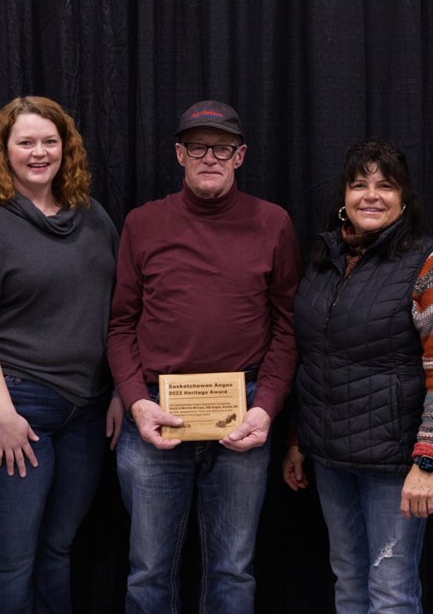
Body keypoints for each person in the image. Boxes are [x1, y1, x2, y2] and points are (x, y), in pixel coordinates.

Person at [107, 99, 299, 614]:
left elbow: (287, 326)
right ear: (178, 153)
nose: (209, 158)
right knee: (148, 571)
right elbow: (120, 325)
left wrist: (268, 408)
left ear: (241, 156)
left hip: (245, 409)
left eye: (222, 148)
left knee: (232, 571)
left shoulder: (273, 223)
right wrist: (134, 403)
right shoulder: (143, 224)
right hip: (155, 413)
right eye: (197, 147)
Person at [0, 96, 119, 614]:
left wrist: (120, 390)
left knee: (57, 551)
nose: (39, 153)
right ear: (3, 150)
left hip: (86, 413)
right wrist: (2, 416)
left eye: (49, 141)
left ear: (66, 148)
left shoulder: (92, 216)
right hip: (16, 413)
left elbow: (117, 309)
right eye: (26, 142)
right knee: (9, 559)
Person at [281, 139, 433, 613]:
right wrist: (297, 439)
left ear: (403, 198)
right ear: (343, 197)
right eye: (359, 184)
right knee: (348, 582)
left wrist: (428, 462)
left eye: (385, 186)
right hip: (330, 458)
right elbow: (315, 357)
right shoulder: (326, 260)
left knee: (390, 592)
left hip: (396, 466)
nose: (371, 195)